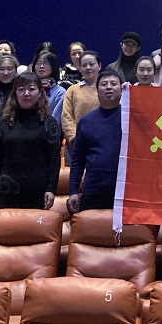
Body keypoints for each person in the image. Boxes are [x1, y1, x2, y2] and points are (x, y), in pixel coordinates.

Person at [0, 72, 61, 210]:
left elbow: (54, 160)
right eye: (21, 89)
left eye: (31, 89)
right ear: (15, 93)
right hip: (7, 190)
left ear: (40, 93)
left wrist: (51, 188)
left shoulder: (49, 122)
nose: (26, 93)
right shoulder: (5, 122)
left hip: (37, 190)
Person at [67, 69, 123, 212]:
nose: (109, 87)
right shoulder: (86, 121)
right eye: (104, 84)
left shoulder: (131, 118)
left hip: (124, 189)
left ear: (121, 90)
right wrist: (73, 190)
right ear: (97, 92)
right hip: (93, 189)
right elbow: (78, 159)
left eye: (113, 84)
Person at [59, 50, 101, 156]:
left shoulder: (107, 89)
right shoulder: (72, 90)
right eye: (84, 65)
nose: (88, 68)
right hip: (76, 145)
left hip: (103, 144)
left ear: (99, 66)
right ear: (80, 68)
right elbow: (67, 117)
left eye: (91, 64)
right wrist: (74, 138)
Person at [33, 50, 65, 125]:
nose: (41, 66)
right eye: (38, 63)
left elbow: (55, 120)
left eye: (46, 63)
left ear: (53, 67)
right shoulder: (29, 89)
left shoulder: (60, 92)